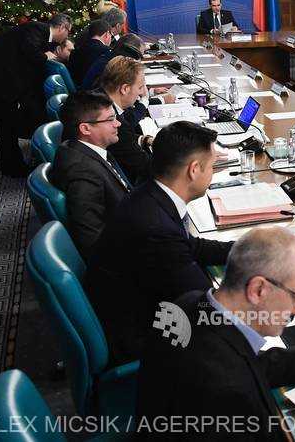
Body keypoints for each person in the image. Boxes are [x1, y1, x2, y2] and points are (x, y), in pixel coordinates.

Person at [137, 227, 295, 442]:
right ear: (258, 290)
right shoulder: (227, 392)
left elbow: (249, 364)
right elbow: (234, 376)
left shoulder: (187, 306)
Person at [87, 121, 233, 362]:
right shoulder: (156, 228)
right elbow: (205, 306)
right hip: (145, 337)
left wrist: (249, 251)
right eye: (212, 166)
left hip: (136, 309)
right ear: (194, 170)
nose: (212, 172)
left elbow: (189, 246)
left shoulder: (150, 193)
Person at [0, 13, 72, 176]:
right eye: (68, 31)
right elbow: (30, 51)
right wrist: (45, 56)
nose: (67, 36)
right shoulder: (36, 28)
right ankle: (11, 167)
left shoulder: (43, 36)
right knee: (6, 123)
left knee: (8, 123)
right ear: (62, 27)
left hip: (3, 79)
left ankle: (12, 164)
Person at [50, 92, 131, 260]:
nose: (118, 123)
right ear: (85, 128)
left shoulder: (77, 148)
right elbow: (92, 240)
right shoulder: (83, 173)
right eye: (110, 119)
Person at [100, 56, 154, 185]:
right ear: (125, 89)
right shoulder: (112, 123)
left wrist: (144, 139)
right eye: (140, 87)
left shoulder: (100, 96)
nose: (142, 93)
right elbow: (147, 167)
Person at [68, 19, 112, 87]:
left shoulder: (77, 49)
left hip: (73, 89)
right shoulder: (107, 52)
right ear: (106, 34)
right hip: (93, 91)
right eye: (111, 35)